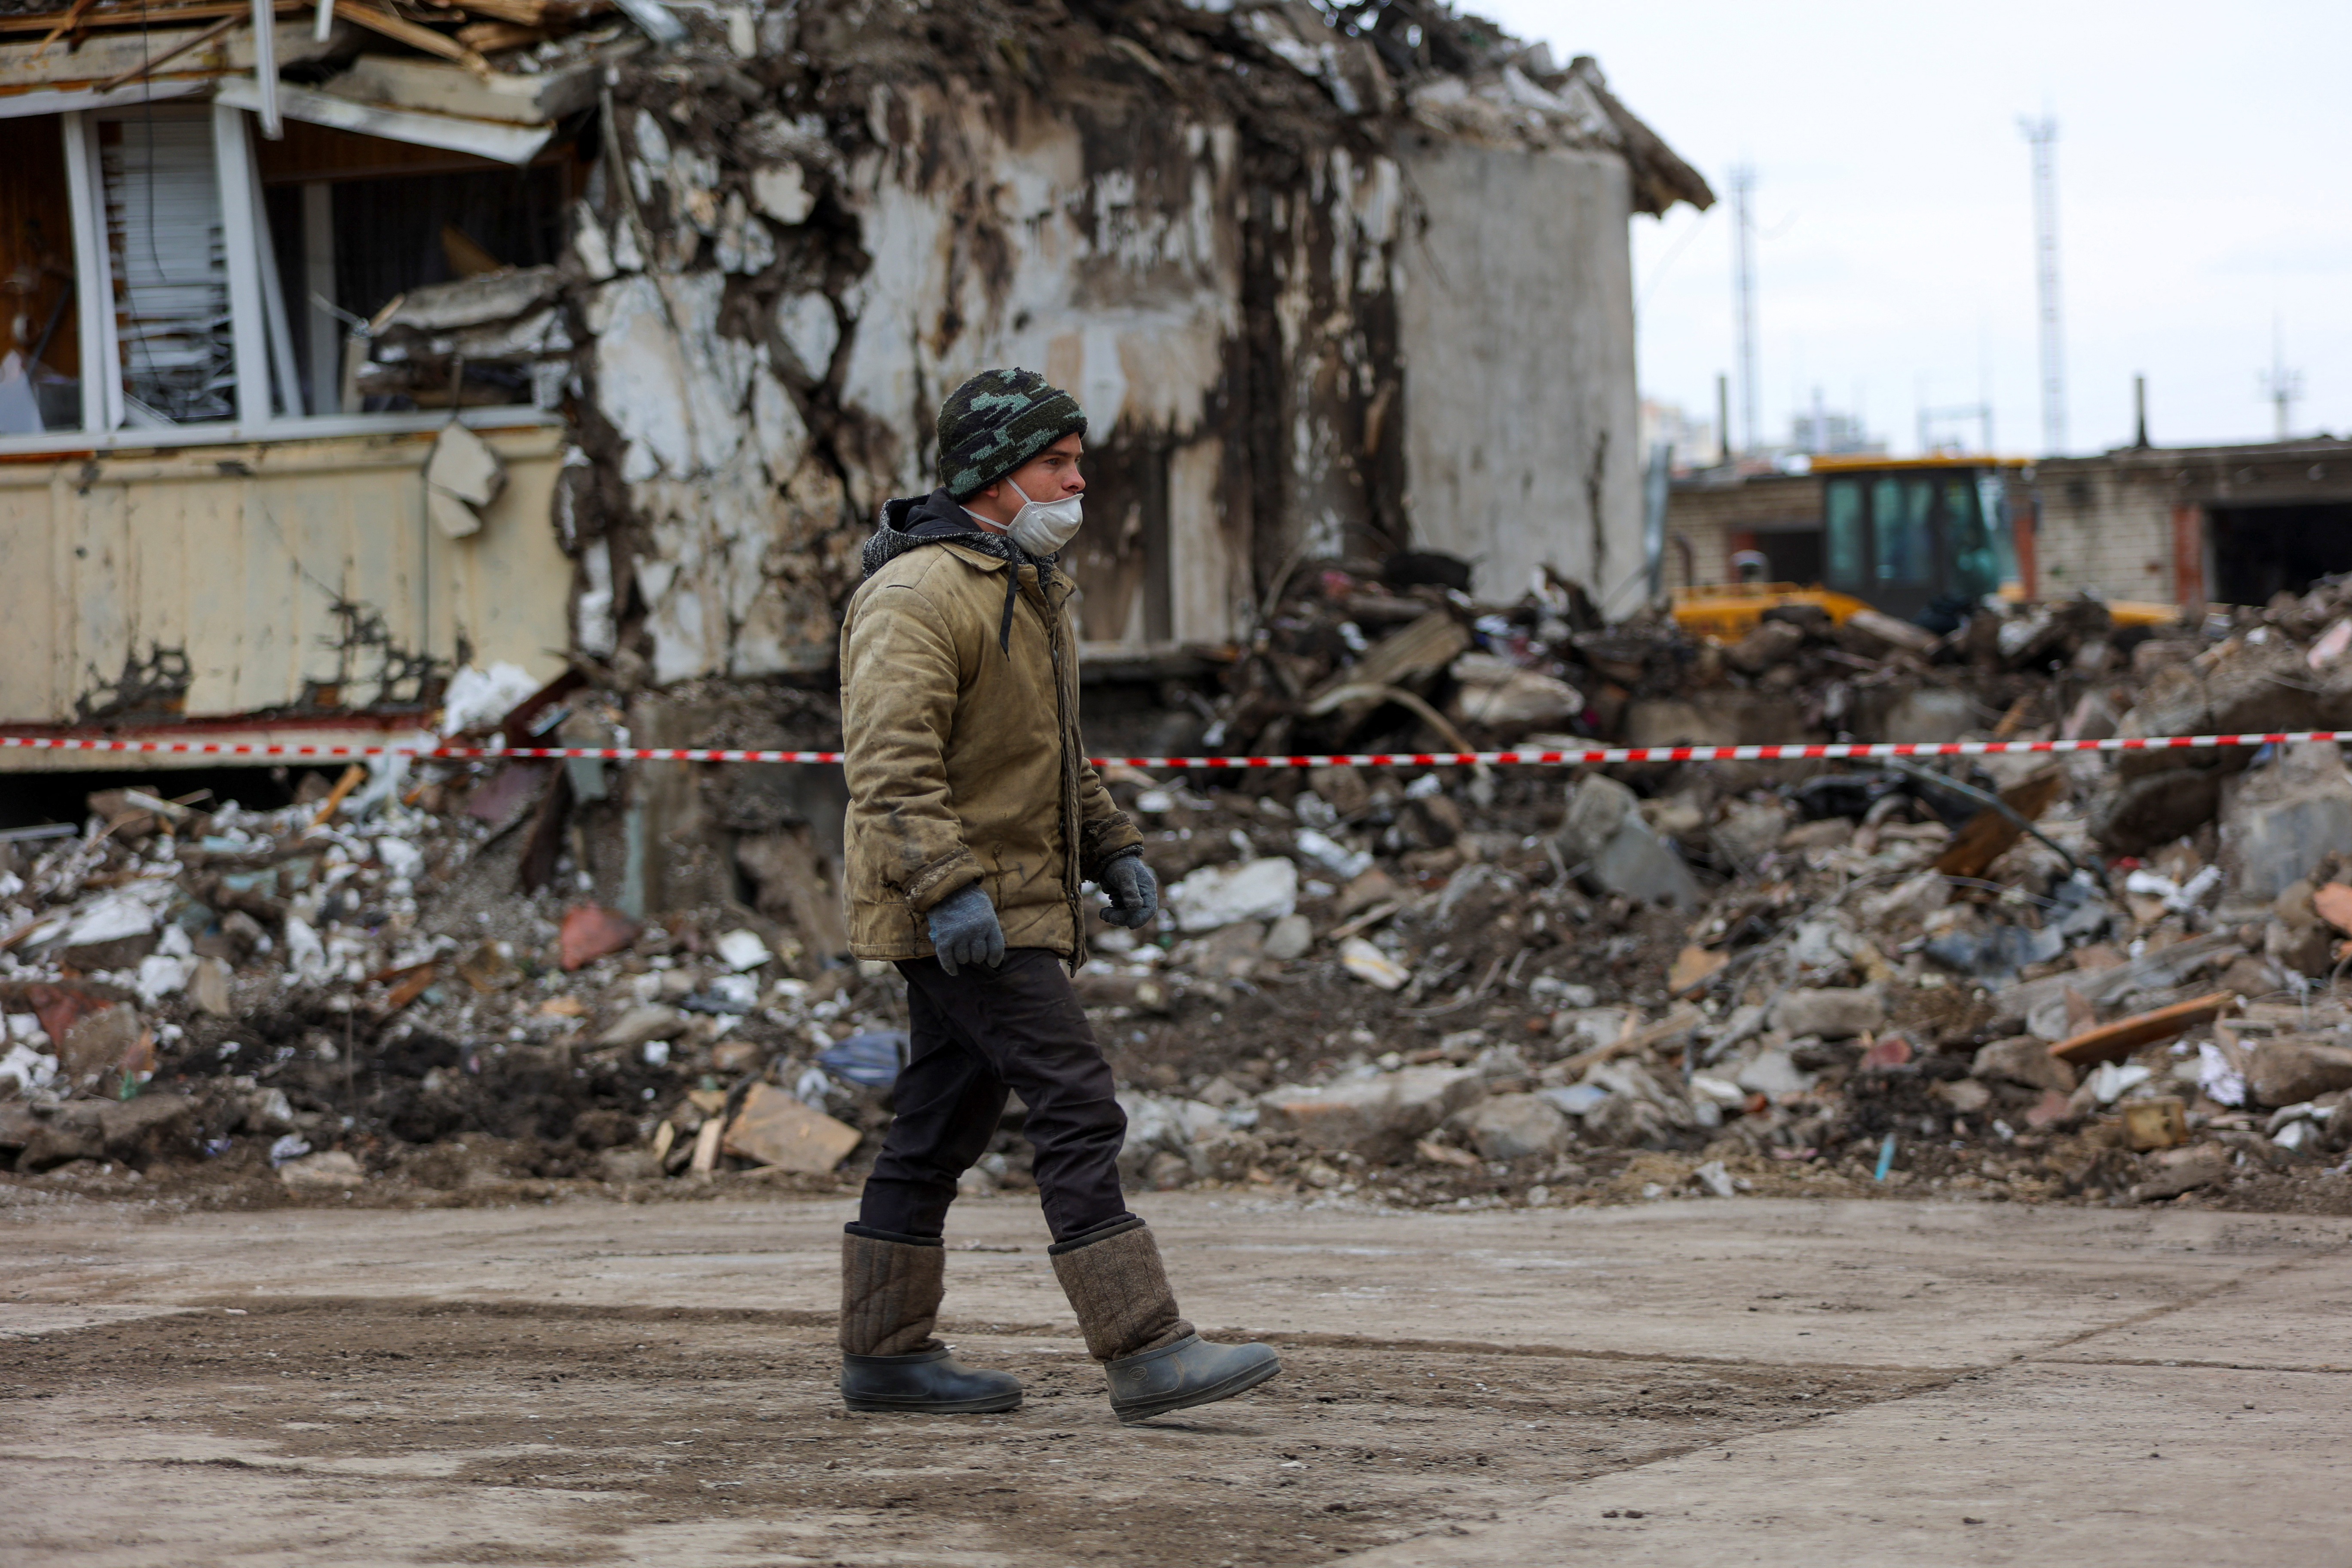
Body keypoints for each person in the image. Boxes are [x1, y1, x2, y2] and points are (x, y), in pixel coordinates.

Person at [833, 367, 1280, 1423]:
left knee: (942, 1121)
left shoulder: (1020, 589)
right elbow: (890, 761)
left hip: (1012, 896)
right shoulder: (916, 595)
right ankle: (1144, 1349)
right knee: (1076, 1098)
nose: (1080, 483)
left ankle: (886, 1357)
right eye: (1059, 464)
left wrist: (1114, 848)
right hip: (966, 908)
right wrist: (947, 890)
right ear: (993, 478)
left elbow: (1051, 752)